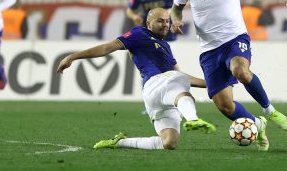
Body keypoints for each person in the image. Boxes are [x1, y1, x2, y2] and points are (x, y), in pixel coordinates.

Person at [170, 0, 287, 152]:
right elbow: (175, 9)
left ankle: (270, 111)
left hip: (234, 38)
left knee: (240, 70)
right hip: (209, 49)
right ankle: (257, 125)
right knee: (225, 106)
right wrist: (176, 20)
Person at [57, 8, 216, 150]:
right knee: (181, 88)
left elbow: (183, 77)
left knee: (169, 142)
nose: (165, 24)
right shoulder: (139, 34)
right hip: (155, 84)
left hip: (164, 93)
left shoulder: (165, 46)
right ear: (149, 23)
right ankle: (193, 119)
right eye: (160, 21)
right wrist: (73, 57)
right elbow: (107, 47)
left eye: (168, 21)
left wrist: (214, 85)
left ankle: (120, 142)